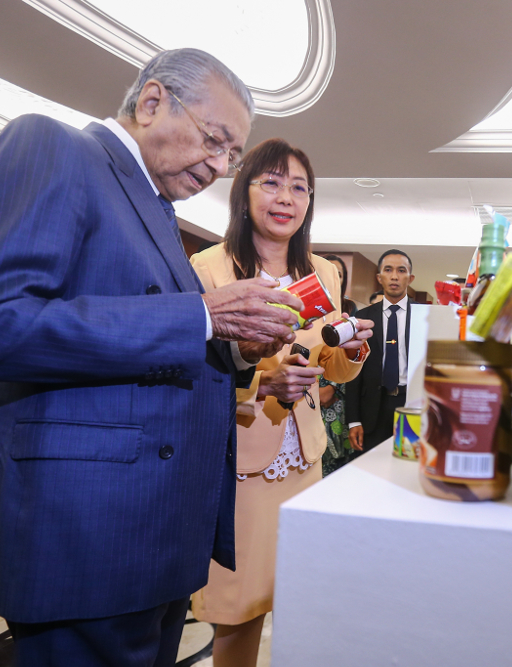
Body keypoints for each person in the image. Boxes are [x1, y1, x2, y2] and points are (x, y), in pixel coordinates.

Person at [0, 49, 306, 666]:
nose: (219, 166)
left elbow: (154, 344)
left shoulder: (156, 209)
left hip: (155, 532)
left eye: (232, 154)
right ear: (153, 101)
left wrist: (236, 350)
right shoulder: (52, 146)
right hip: (86, 531)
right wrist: (200, 316)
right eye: (214, 140)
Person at [189, 138, 372, 667]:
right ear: (242, 193)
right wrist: (261, 386)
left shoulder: (324, 271)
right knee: (239, 607)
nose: (285, 197)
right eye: (270, 183)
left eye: (299, 187)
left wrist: (351, 351)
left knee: (295, 596)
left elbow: (329, 365)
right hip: (241, 462)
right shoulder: (208, 268)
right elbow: (195, 372)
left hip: (304, 459)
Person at [346, 249, 416, 454]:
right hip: (371, 409)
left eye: (401, 270)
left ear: (410, 278)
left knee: (407, 464)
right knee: (371, 467)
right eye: (388, 270)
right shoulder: (362, 318)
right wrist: (353, 420)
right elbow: (353, 371)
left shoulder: (423, 316)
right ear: (379, 277)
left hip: (410, 405)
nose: (394, 276)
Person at [318, 254, 357, 475]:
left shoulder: (349, 310)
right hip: (304, 391)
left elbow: (352, 354)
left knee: (335, 464)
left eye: (338, 274)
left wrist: (332, 387)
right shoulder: (305, 308)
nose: (332, 277)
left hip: (336, 394)